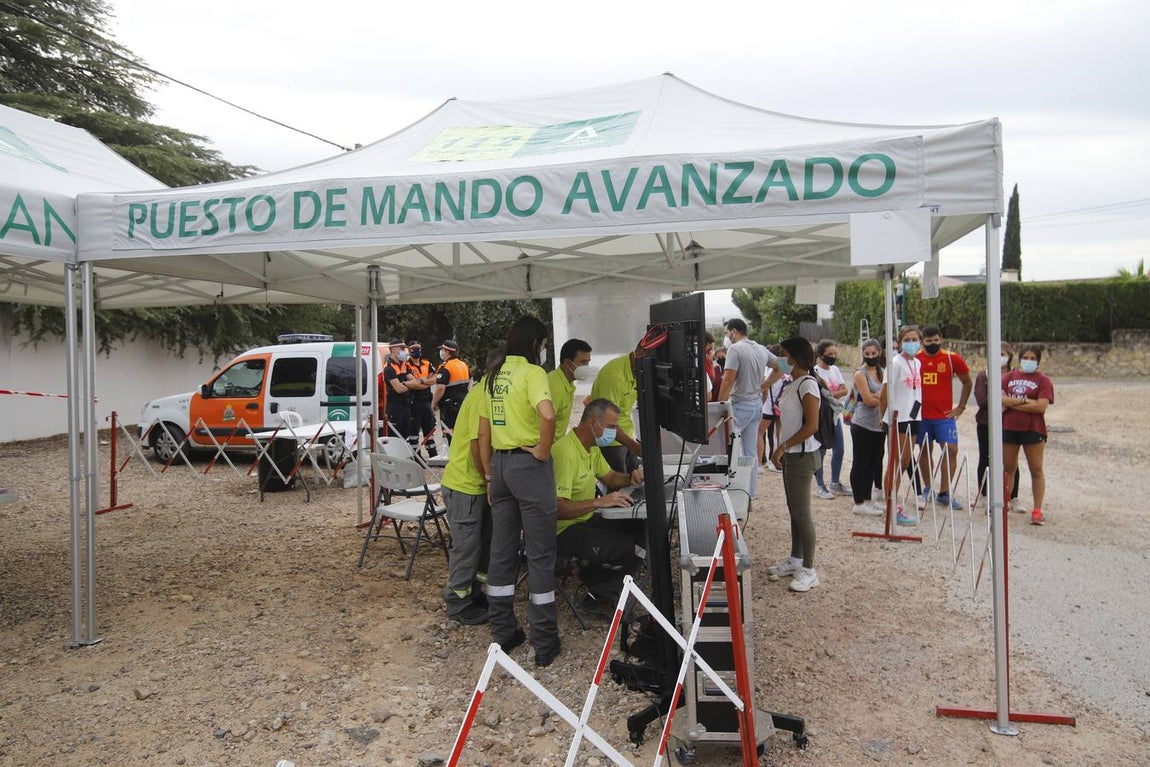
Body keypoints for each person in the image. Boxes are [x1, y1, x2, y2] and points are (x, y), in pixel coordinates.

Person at [477, 316, 560, 667]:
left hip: (499, 468)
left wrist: (488, 475)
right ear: (535, 343)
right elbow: (548, 414)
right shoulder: (532, 373)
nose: (543, 350)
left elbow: (483, 433)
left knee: (502, 552)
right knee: (540, 555)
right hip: (529, 467)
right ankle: (544, 642)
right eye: (543, 344)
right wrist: (542, 450)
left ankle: (504, 632)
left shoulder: (492, 376)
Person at [553, 399, 646, 614]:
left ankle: (602, 582)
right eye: (612, 427)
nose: (615, 433)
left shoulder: (591, 447)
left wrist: (632, 478)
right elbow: (557, 509)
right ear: (593, 424)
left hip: (586, 519)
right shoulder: (565, 453)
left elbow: (611, 478)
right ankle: (599, 594)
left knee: (643, 528)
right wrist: (598, 502)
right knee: (624, 547)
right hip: (564, 531)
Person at [439, 350, 500, 625]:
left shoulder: (489, 395)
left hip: (475, 485)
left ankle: (473, 592)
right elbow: (478, 445)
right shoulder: (482, 398)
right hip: (465, 486)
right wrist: (489, 478)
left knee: (483, 543)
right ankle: (457, 601)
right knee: (467, 546)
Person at [767, 336, 823, 593]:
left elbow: (811, 426)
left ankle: (809, 570)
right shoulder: (793, 382)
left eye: (784, 354)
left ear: (796, 357)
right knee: (794, 510)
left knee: (802, 512)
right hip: (792, 455)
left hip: (801, 455)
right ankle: (795, 559)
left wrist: (783, 446)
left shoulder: (808, 385)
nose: (780, 359)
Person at [717, 318, 780, 500]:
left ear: (733, 332)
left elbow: (728, 379)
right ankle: (749, 494)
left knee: (730, 450)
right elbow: (784, 366)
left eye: (726, 332)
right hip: (755, 404)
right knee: (750, 452)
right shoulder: (760, 348)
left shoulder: (735, 349)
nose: (726, 336)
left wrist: (720, 406)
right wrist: (765, 384)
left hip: (739, 405)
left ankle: (732, 492)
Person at [915, 327, 973, 510]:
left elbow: (967, 381)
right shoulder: (915, 359)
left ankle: (944, 492)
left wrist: (961, 406)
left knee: (951, 449)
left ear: (941, 339)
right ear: (922, 341)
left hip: (944, 416)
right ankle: (927, 488)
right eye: (929, 341)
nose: (933, 344)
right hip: (921, 415)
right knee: (924, 449)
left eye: (936, 340)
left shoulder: (951, 358)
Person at [1001, 345, 1054, 526]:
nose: (1029, 361)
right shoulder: (1008, 377)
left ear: (1038, 361)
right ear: (1019, 358)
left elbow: (1041, 406)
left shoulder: (1043, 380)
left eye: (1033, 358)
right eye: (1026, 357)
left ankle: (1037, 510)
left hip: (1033, 429)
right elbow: (1000, 400)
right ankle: (1004, 504)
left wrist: (1013, 403)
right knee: (1008, 467)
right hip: (1009, 427)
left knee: (1036, 469)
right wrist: (1025, 401)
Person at [885, 325, 925, 526]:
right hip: (898, 418)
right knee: (895, 462)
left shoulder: (918, 362)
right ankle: (891, 505)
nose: (911, 343)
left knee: (905, 462)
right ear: (901, 342)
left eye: (914, 339)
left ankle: (893, 503)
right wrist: (883, 416)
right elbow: (886, 390)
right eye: (907, 339)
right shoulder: (895, 363)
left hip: (914, 416)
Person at [975, 342, 1020, 506]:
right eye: (996, 353)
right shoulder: (983, 376)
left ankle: (1013, 496)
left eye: (1003, 353)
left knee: (1011, 462)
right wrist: (1009, 401)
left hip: (1009, 423)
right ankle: (984, 494)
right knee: (985, 458)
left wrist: (1010, 402)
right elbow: (982, 400)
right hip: (986, 423)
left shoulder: (1016, 376)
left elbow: (1020, 398)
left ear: (1009, 356)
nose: (1000, 357)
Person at [589, 348, 644, 474]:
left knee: (634, 482)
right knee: (618, 488)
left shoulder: (639, 371)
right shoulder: (613, 376)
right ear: (641, 354)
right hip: (609, 440)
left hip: (627, 436)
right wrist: (636, 448)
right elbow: (607, 422)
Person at [849, 339, 886, 516]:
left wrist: (876, 396)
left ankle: (868, 499)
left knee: (873, 463)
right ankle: (858, 501)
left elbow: (885, 397)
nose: (871, 356)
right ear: (863, 354)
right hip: (862, 424)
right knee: (860, 463)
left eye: (874, 353)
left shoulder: (883, 372)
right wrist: (879, 397)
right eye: (867, 354)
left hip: (879, 425)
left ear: (879, 353)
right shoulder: (859, 373)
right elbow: (868, 400)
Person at [812, 339, 851, 500]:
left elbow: (844, 389)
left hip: (835, 414)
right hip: (822, 417)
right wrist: (833, 395)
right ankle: (820, 485)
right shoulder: (815, 371)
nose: (833, 356)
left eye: (835, 353)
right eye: (830, 354)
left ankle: (835, 482)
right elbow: (819, 394)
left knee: (839, 449)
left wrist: (829, 395)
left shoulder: (834, 369)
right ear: (821, 355)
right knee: (821, 450)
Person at [547, 338, 593, 442]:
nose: (586, 367)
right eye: (583, 362)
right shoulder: (555, 386)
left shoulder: (566, 382)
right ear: (567, 363)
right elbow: (543, 423)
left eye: (588, 362)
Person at [432, 340, 470, 445]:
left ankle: (451, 455)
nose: (441, 352)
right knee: (461, 432)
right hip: (463, 403)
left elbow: (440, 388)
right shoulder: (463, 365)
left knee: (449, 432)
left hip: (449, 407)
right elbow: (470, 381)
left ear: (447, 352)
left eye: (442, 350)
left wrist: (433, 403)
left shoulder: (445, 367)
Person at [404, 340, 439, 457]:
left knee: (429, 429)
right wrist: (427, 382)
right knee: (413, 431)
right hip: (414, 401)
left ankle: (433, 454)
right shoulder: (406, 365)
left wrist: (422, 381)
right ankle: (416, 456)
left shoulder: (427, 363)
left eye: (418, 348)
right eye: (414, 348)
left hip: (427, 401)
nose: (417, 351)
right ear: (409, 350)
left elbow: (436, 378)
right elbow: (414, 385)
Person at [383, 339, 414, 442]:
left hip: (406, 404)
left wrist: (406, 384)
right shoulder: (388, 368)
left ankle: (405, 458)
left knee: (406, 436)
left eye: (404, 349)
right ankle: (394, 458)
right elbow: (399, 389)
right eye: (401, 348)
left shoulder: (404, 365)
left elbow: (415, 381)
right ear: (392, 349)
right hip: (395, 406)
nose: (403, 351)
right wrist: (410, 385)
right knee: (395, 437)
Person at [704, 332, 723, 402]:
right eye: (710, 344)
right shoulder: (707, 361)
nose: (711, 347)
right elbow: (712, 378)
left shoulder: (708, 360)